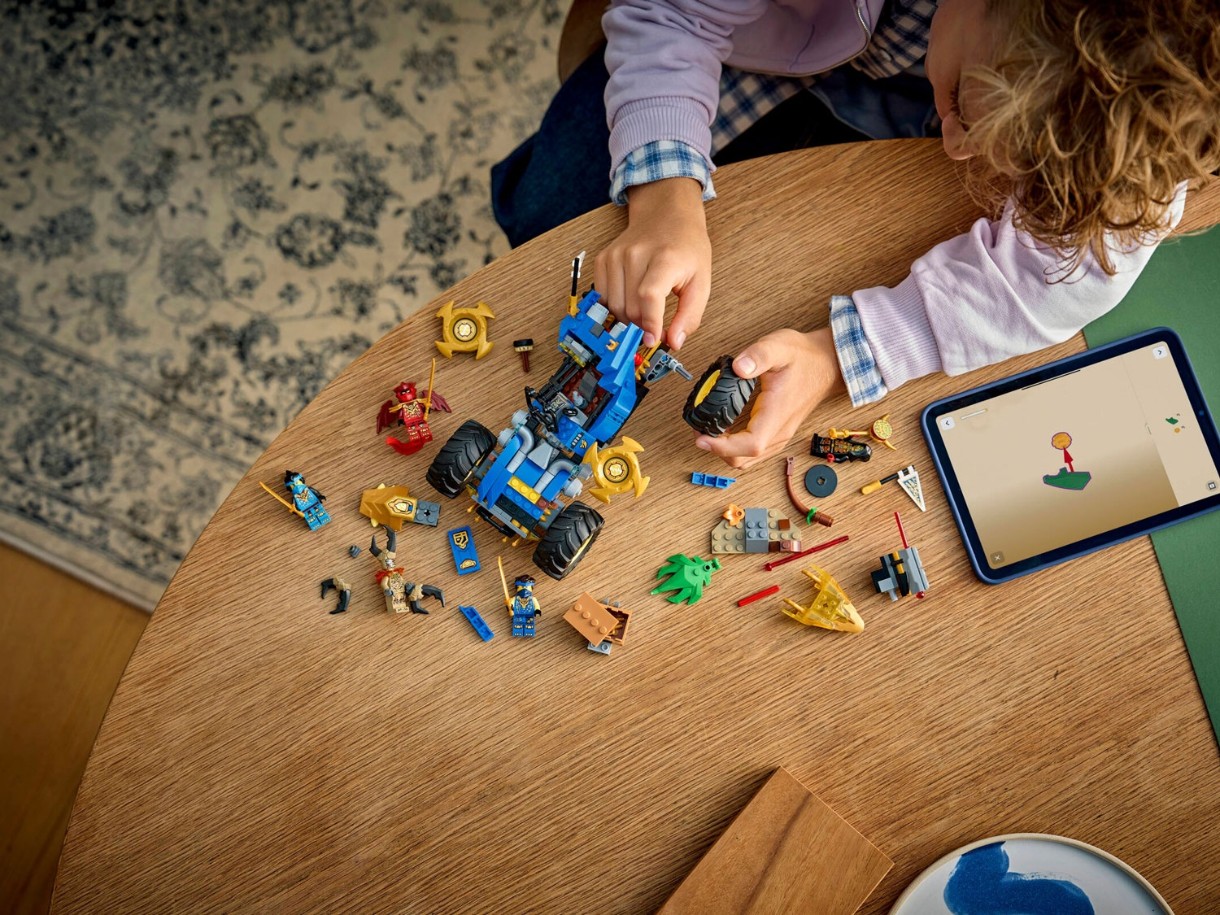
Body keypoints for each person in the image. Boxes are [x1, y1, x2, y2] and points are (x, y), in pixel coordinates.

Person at [492, 0, 1220, 468]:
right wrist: (664, 195)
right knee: (543, 212)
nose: (959, 150)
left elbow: (1067, 278)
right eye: (966, 105)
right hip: (733, 38)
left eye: (1004, 155)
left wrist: (840, 352)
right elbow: (670, 14)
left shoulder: (1152, 111)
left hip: (897, 104)